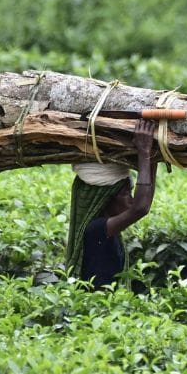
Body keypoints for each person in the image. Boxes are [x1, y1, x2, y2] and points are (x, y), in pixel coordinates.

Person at [65, 120, 157, 289]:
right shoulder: (95, 230)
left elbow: (143, 204)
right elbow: (141, 208)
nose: (131, 199)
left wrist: (153, 156)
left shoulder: (101, 226)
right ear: (103, 198)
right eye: (125, 193)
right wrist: (144, 153)